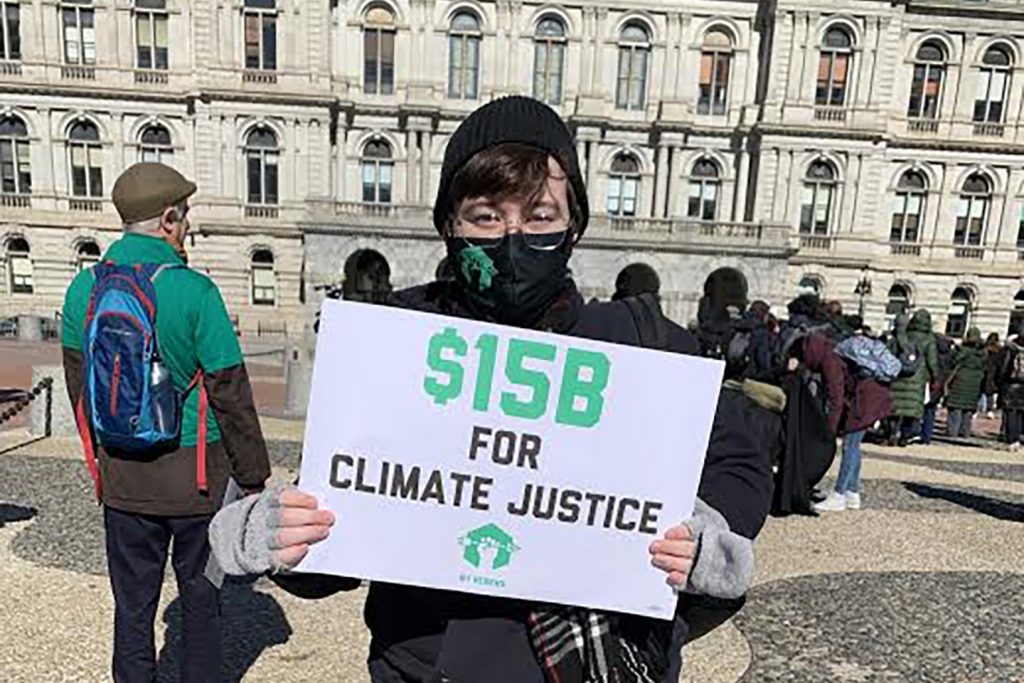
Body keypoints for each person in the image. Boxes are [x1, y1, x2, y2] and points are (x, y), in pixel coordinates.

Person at [208, 97, 773, 683]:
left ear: (573, 223)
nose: (513, 236)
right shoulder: (398, 339)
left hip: (595, 663)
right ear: (449, 225)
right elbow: (348, 512)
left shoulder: (641, 343)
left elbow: (740, 462)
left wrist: (704, 534)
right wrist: (283, 537)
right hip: (425, 664)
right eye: (485, 217)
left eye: (539, 216)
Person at [61, 163, 272, 683]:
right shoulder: (197, 292)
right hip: (198, 483)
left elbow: (80, 392)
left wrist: (103, 463)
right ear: (170, 219)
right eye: (185, 217)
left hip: (123, 480)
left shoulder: (81, 290)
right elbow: (231, 392)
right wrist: (253, 477)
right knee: (202, 603)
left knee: (132, 608)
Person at [814, 317, 893, 512]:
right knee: (854, 445)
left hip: (866, 400)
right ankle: (852, 493)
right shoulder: (849, 349)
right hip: (875, 397)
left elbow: (837, 394)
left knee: (850, 446)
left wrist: (831, 427)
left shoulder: (834, 355)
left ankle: (840, 494)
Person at [887, 310, 938, 447]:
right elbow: (932, 361)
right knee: (911, 409)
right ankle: (905, 436)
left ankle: (892, 432)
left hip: (900, 373)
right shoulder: (929, 338)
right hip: (917, 376)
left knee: (896, 405)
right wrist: (935, 377)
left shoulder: (904, 335)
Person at [945, 327, 985, 438]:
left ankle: (952, 431)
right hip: (975, 382)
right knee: (968, 408)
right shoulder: (982, 353)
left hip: (961, 379)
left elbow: (953, 361)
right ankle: (965, 432)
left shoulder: (963, 350)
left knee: (955, 407)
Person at [998, 324, 1024, 451]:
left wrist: (1000, 382)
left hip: (1011, 384)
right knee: (1020, 413)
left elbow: (1003, 368)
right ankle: (1018, 438)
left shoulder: (1010, 349)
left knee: (1010, 413)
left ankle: (1011, 439)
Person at [981, 332, 1002, 420]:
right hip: (993, 373)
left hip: (983, 371)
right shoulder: (999, 350)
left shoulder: (984, 348)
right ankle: (989, 411)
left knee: (979, 392)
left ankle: (974, 410)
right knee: (989, 393)